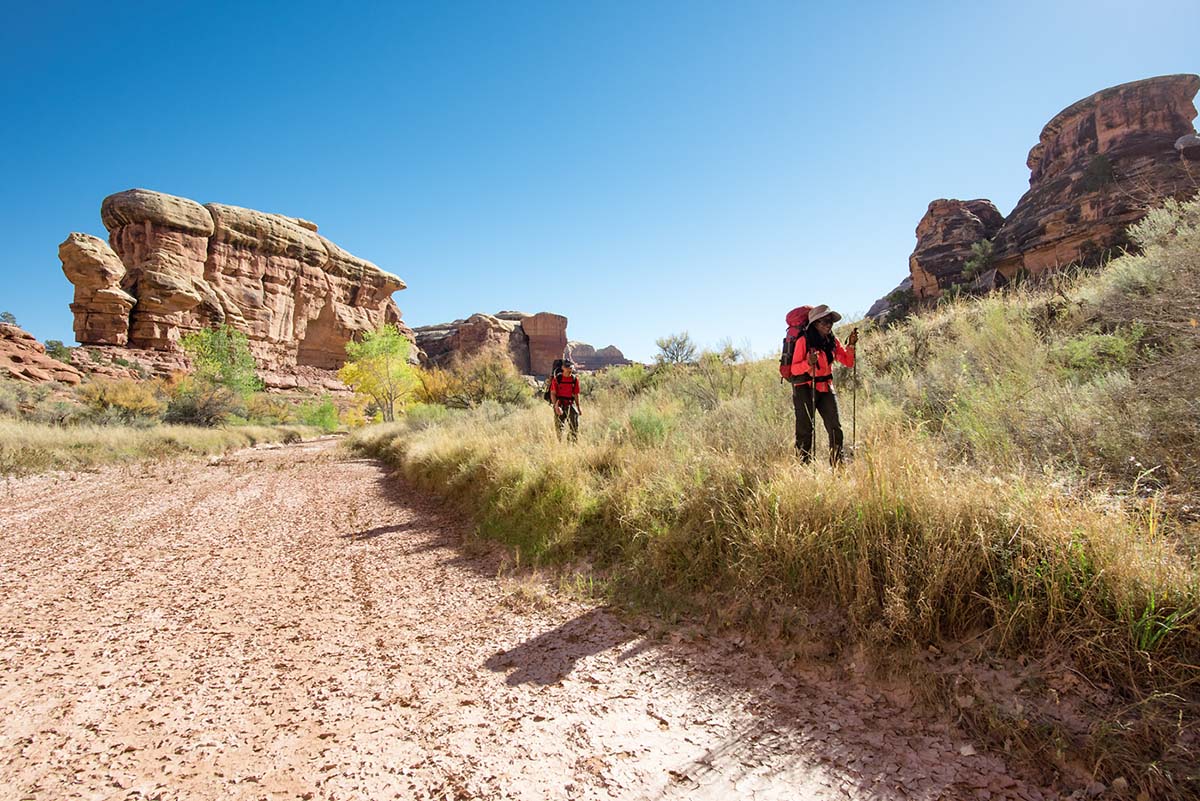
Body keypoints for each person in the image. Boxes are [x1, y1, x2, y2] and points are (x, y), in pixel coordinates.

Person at [790, 304, 857, 465]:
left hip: (826, 387)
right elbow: (794, 369)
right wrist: (808, 363)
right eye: (824, 321)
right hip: (805, 389)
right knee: (805, 431)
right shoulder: (803, 341)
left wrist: (851, 345)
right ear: (815, 324)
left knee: (835, 429)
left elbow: (848, 362)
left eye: (830, 321)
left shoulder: (832, 341)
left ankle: (837, 465)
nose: (828, 325)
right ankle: (803, 467)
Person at [549, 360, 581, 441]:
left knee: (574, 426)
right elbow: (553, 393)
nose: (569, 368)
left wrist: (578, 407)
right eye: (567, 367)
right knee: (559, 426)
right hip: (559, 404)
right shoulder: (557, 379)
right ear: (563, 368)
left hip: (570, 404)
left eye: (570, 367)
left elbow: (576, 394)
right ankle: (560, 443)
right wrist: (556, 406)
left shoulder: (574, 379)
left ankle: (572, 443)